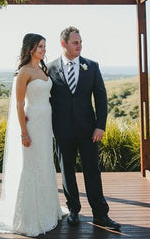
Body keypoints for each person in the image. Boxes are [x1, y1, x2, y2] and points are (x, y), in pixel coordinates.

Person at [0, 33, 67, 237]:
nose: (44, 50)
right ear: (30, 48)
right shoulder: (24, 72)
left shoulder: (42, 69)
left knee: (44, 164)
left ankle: (48, 209)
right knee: (30, 165)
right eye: (40, 46)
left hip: (44, 124)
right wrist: (23, 132)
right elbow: (19, 104)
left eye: (44, 46)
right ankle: (29, 215)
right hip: (31, 125)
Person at [48, 26, 121, 230]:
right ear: (64, 44)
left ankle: (100, 214)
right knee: (67, 171)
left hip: (89, 131)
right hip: (62, 131)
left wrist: (100, 126)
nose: (80, 45)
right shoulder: (50, 67)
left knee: (92, 172)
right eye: (75, 42)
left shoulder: (92, 66)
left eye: (80, 42)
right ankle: (73, 211)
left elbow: (101, 97)